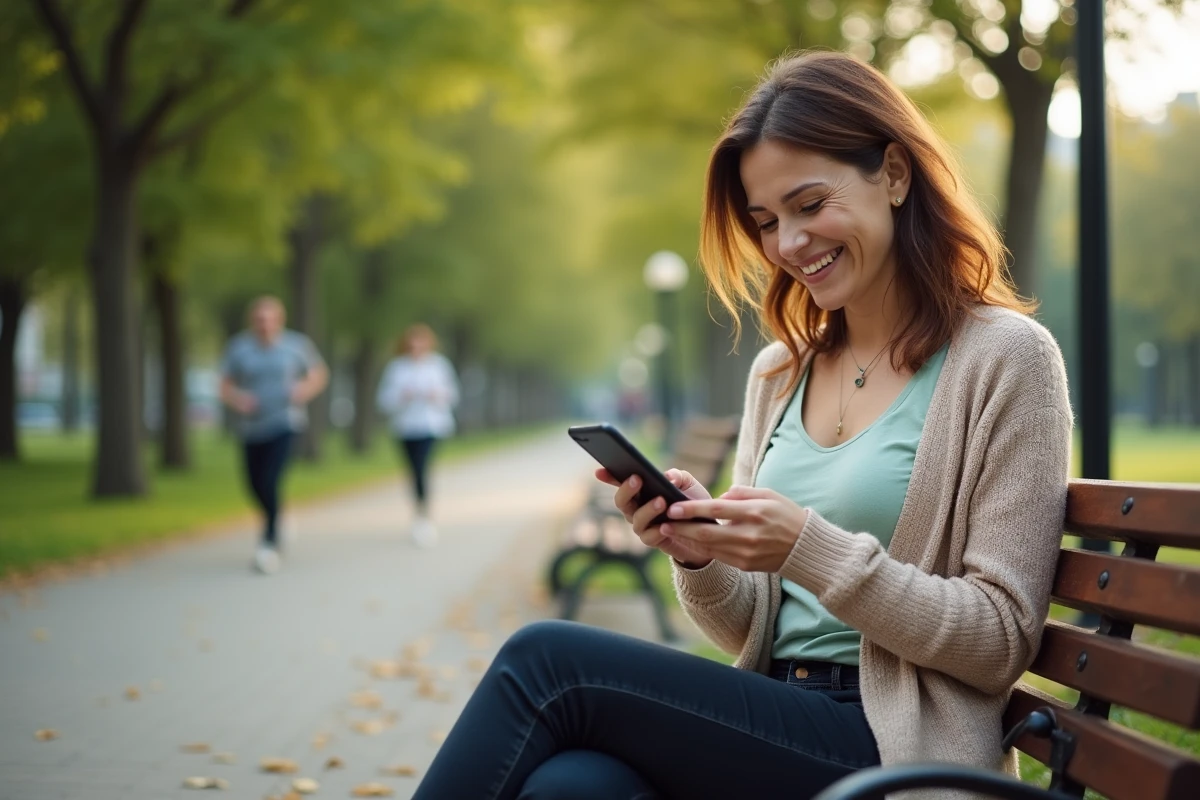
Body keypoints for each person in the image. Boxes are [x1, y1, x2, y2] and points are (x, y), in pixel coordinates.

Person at [412, 51, 1072, 800]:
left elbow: (999, 641)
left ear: (893, 173)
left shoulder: (1005, 360)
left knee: (547, 664)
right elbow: (748, 632)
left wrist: (808, 550)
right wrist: (700, 556)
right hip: (781, 718)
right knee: (572, 785)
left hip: (897, 746)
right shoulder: (780, 373)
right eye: (766, 221)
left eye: (810, 204)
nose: (788, 244)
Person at [219, 296, 328, 574]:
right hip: (252, 426)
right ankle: (276, 515)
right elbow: (224, 385)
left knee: (270, 479)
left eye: (269, 319)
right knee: (253, 484)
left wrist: (303, 389)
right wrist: (238, 399)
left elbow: (318, 373)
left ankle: (268, 543)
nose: (264, 325)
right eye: (259, 320)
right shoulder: (239, 348)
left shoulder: (296, 345)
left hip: (286, 423)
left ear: (279, 320)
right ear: (252, 322)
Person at [375, 323, 459, 548]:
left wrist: (436, 395)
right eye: (412, 344)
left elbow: (451, 394)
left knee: (422, 468)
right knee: (413, 471)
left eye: (420, 343)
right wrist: (402, 396)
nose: (416, 348)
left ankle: (423, 516)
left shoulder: (439, 366)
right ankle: (419, 509)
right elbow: (384, 400)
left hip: (431, 427)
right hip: (405, 428)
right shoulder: (397, 368)